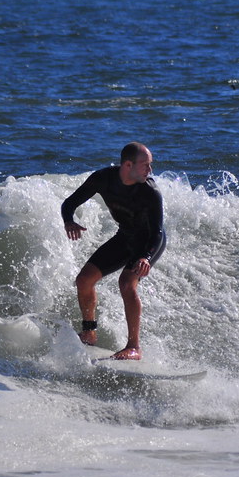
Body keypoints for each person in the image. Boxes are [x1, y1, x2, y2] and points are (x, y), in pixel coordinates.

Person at [61, 142, 166, 360]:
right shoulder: (103, 179)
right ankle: (89, 332)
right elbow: (69, 203)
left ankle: (134, 347)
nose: (150, 170)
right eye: (145, 165)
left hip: (149, 243)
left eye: (150, 165)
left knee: (126, 283)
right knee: (84, 280)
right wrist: (69, 221)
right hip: (125, 237)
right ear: (128, 165)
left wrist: (145, 257)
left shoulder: (150, 192)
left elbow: (157, 232)